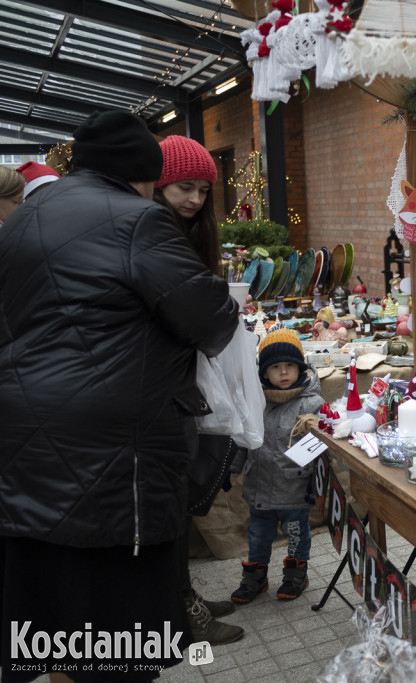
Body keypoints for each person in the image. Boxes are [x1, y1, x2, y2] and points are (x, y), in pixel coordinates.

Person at [0, 110, 239, 681]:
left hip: (25, 444)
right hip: (111, 453)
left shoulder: (26, 215)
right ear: (142, 174)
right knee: (116, 631)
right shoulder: (138, 221)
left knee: (54, 609)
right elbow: (213, 319)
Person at [153, 135, 245, 646]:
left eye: (202, 191)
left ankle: (181, 599)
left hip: (179, 381)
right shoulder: (155, 234)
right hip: (161, 388)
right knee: (170, 501)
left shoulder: (184, 234)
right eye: (183, 187)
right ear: (158, 184)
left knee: (180, 494)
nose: (193, 199)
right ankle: (177, 613)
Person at [230, 328, 323, 604]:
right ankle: (255, 577)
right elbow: (245, 440)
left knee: (296, 535)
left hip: (295, 488)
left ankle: (296, 575)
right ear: (264, 373)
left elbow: (323, 446)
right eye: (276, 367)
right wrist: (231, 468)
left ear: (300, 369)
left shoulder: (312, 405)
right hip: (259, 487)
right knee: (258, 536)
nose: (283, 373)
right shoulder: (256, 404)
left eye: (290, 366)